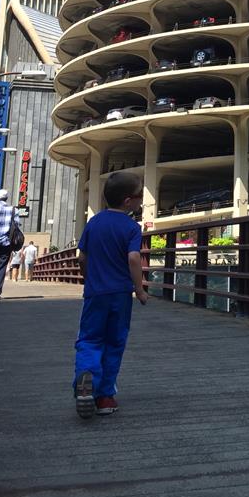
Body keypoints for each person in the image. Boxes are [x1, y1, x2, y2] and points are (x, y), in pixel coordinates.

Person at [73, 171, 148, 419]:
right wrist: (139, 289)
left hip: (95, 293)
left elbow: (82, 257)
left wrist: (88, 277)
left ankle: (86, 375)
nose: (141, 200)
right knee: (115, 342)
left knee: (90, 338)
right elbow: (133, 258)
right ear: (128, 201)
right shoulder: (131, 227)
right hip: (121, 294)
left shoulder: (93, 223)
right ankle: (105, 397)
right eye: (139, 195)